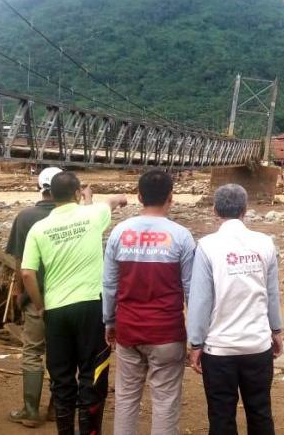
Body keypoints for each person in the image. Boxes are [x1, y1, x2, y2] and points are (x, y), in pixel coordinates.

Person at [20, 172, 127, 435]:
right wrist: (117, 198)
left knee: (62, 377)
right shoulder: (92, 216)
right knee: (93, 373)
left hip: (55, 309)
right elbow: (114, 201)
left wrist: (40, 304)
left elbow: (26, 273)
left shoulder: (39, 228)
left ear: (50, 195)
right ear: (77, 193)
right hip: (91, 306)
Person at [103, 170, 196, 434]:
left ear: (139, 196)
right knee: (165, 402)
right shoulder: (181, 236)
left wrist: (109, 320)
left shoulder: (120, 232)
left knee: (126, 398)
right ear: (171, 198)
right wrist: (197, 337)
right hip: (167, 333)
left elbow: (109, 284)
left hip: (128, 330)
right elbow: (191, 290)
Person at [187, 184, 283, 435]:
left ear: (214, 210)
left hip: (219, 349)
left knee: (221, 417)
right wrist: (276, 329)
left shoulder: (207, 246)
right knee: (260, 412)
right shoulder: (264, 243)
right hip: (257, 345)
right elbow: (272, 293)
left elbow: (200, 300)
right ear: (245, 209)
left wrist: (196, 343)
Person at [5, 167, 62, 427]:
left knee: (32, 351)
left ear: (39, 187)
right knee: (62, 355)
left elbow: (20, 262)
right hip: (67, 298)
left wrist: (19, 291)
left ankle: (30, 410)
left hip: (36, 297)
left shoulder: (25, 217)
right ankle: (56, 409)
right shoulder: (74, 218)